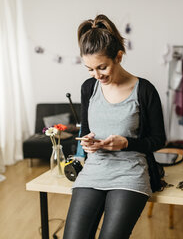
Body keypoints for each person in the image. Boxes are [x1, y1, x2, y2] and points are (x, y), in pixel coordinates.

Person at [63, 14, 166, 239]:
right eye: (90, 69)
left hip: (130, 172)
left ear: (118, 56)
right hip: (94, 170)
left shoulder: (145, 90)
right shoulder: (88, 88)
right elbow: (86, 131)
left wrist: (127, 143)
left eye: (102, 67)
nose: (97, 75)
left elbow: (159, 139)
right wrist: (88, 143)